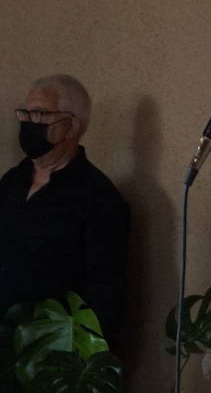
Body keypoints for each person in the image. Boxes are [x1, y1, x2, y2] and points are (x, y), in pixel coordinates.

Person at [0, 74, 129, 335]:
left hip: (48, 350)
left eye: (38, 114)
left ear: (71, 126)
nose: (27, 122)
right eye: (25, 113)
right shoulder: (12, 181)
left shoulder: (99, 197)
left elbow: (105, 290)